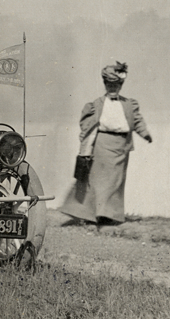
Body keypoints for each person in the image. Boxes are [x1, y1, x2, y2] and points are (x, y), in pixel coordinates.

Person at [60, 62, 153, 229]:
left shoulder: (129, 104)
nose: (112, 88)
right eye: (109, 85)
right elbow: (86, 123)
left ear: (120, 85)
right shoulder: (96, 104)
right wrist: (85, 138)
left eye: (116, 85)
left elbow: (137, 120)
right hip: (101, 145)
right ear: (105, 84)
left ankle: (107, 216)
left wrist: (145, 133)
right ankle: (90, 216)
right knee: (96, 182)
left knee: (114, 183)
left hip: (121, 147)